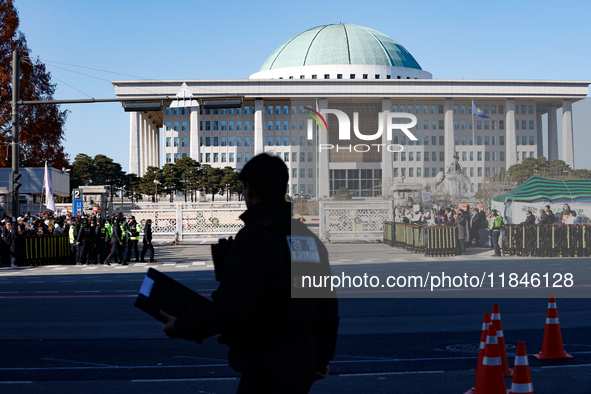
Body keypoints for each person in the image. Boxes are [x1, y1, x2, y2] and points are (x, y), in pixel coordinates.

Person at [159, 153, 339, 394]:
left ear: (249, 188)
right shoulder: (306, 237)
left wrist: (180, 326)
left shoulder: (254, 237)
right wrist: (321, 359)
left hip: (266, 365)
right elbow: (327, 309)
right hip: (300, 363)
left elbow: (231, 307)